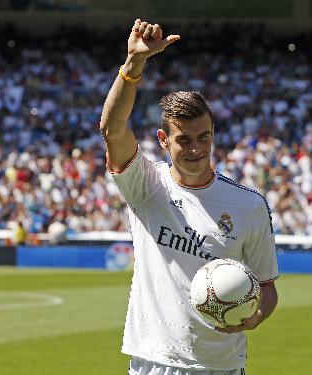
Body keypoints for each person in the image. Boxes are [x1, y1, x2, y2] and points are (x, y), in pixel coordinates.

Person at [100, 19, 279, 374]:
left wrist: (256, 315)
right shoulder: (146, 185)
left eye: (204, 137)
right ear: (164, 140)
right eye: (184, 139)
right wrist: (134, 63)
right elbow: (111, 129)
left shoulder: (249, 205)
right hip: (155, 360)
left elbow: (267, 286)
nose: (196, 148)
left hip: (222, 365)